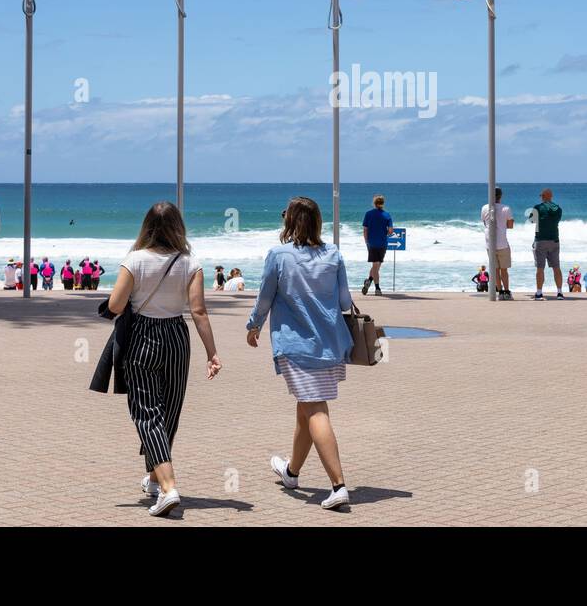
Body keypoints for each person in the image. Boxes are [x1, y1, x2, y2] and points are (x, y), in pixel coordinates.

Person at [106, 201, 221, 517]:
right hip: (176, 336)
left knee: (147, 412)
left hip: (142, 336)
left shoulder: (135, 260)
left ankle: (169, 489)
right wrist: (212, 353)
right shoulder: (189, 262)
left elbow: (115, 305)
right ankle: (156, 479)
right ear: (177, 227)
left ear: (146, 227)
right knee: (168, 410)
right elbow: (198, 311)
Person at [246, 197, 354, 511]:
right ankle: (292, 472)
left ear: (289, 222)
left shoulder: (279, 255)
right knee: (304, 409)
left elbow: (265, 296)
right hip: (330, 344)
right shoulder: (333, 254)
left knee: (316, 410)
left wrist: (253, 326)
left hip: (296, 346)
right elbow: (346, 302)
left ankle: (338, 485)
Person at [530, 188, 564, 301]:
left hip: (541, 240)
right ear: (551, 196)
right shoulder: (558, 209)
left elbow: (531, 220)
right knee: (556, 268)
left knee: (540, 268)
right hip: (554, 240)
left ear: (543, 196)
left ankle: (539, 293)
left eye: (541, 196)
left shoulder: (538, 207)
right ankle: (559, 293)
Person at [481, 187, 514, 300]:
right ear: (501, 196)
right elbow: (510, 225)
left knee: (495, 269)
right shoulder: (506, 208)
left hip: (490, 243)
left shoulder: (485, 208)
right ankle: (506, 292)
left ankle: (500, 292)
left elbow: (484, 223)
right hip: (502, 243)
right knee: (504, 269)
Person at [361, 194, 393, 297]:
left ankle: (369, 281)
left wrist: (366, 241)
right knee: (377, 265)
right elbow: (390, 231)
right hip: (382, 243)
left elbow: (365, 230)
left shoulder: (368, 214)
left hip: (372, 243)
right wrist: (385, 234)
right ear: (383, 203)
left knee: (376, 265)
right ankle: (377, 288)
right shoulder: (387, 215)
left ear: (374, 203)